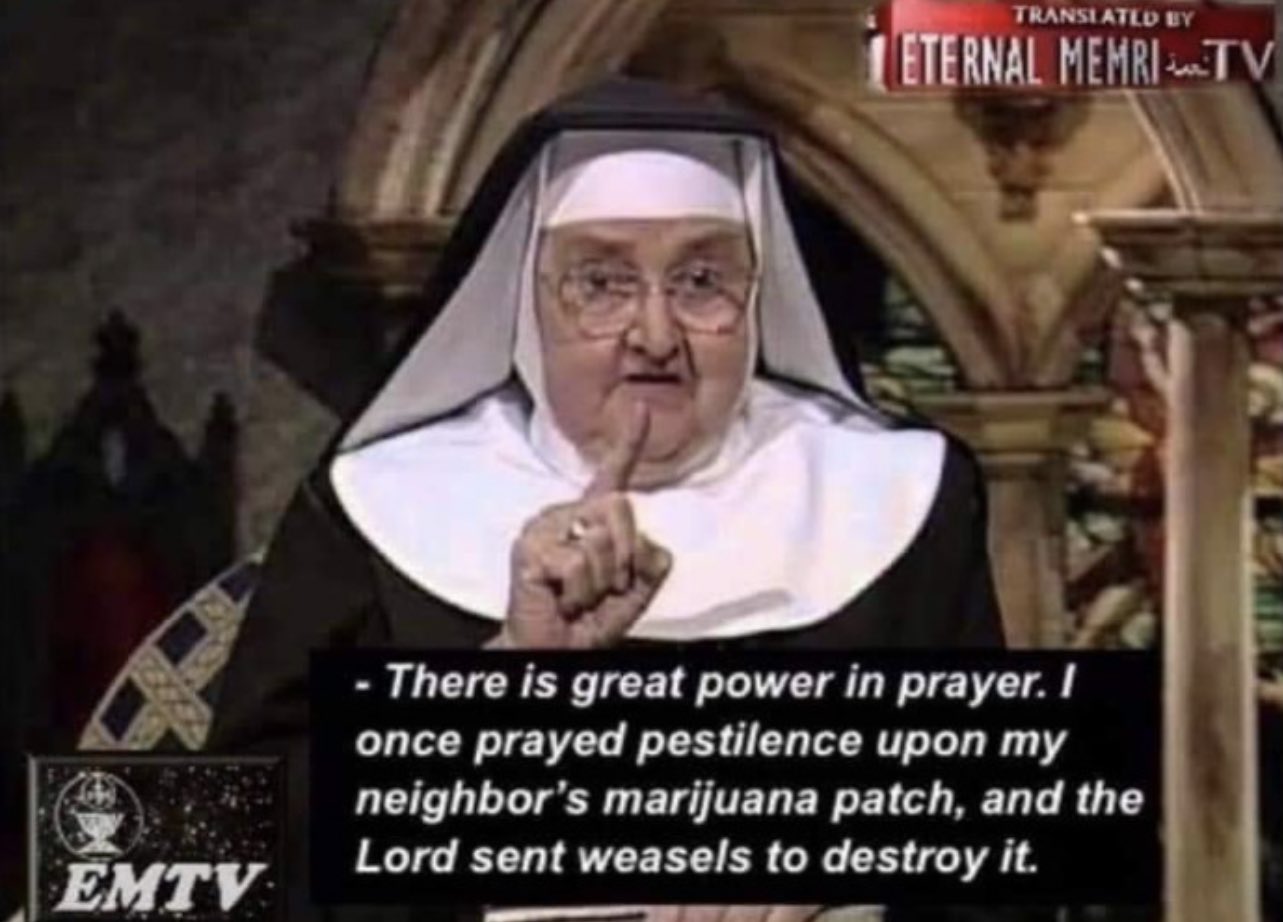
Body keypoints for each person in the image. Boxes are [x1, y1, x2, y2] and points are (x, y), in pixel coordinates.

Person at [209, 78, 1004, 922]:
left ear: (756, 299)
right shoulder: (385, 500)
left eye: (701, 281)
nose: (655, 337)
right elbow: (221, 848)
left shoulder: (893, 495)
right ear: (524, 303)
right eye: (600, 283)